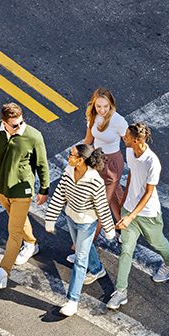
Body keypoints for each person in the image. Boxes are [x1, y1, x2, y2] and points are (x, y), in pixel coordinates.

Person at [0, 102, 49, 289]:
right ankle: (31, 243)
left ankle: (3, 273)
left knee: (14, 233)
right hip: (1, 188)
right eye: (15, 125)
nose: (20, 127)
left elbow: (42, 165)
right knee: (18, 220)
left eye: (21, 122)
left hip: (22, 190)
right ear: (4, 123)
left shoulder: (33, 136)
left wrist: (44, 189)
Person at [106, 122, 169, 310]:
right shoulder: (131, 152)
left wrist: (131, 217)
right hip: (130, 209)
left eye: (127, 137)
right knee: (126, 251)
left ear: (137, 140)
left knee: (157, 243)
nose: (124, 139)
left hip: (147, 214)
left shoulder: (152, 161)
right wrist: (124, 201)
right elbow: (131, 173)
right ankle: (120, 291)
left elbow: (148, 193)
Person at [44, 144, 116, 316]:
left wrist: (108, 228)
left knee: (80, 259)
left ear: (81, 160)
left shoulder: (95, 181)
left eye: (72, 155)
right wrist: (50, 219)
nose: (68, 157)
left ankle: (72, 300)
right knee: (82, 246)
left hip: (86, 222)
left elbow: (102, 207)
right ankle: (98, 269)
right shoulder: (69, 171)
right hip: (71, 217)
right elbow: (60, 194)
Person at [67, 87, 127, 265]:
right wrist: (78, 157)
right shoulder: (92, 117)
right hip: (97, 161)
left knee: (99, 204)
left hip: (112, 165)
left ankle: (82, 248)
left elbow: (129, 143)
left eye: (106, 107)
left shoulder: (118, 121)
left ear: (111, 105)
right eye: (99, 106)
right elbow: (88, 140)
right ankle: (126, 227)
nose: (102, 110)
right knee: (115, 197)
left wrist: (137, 165)